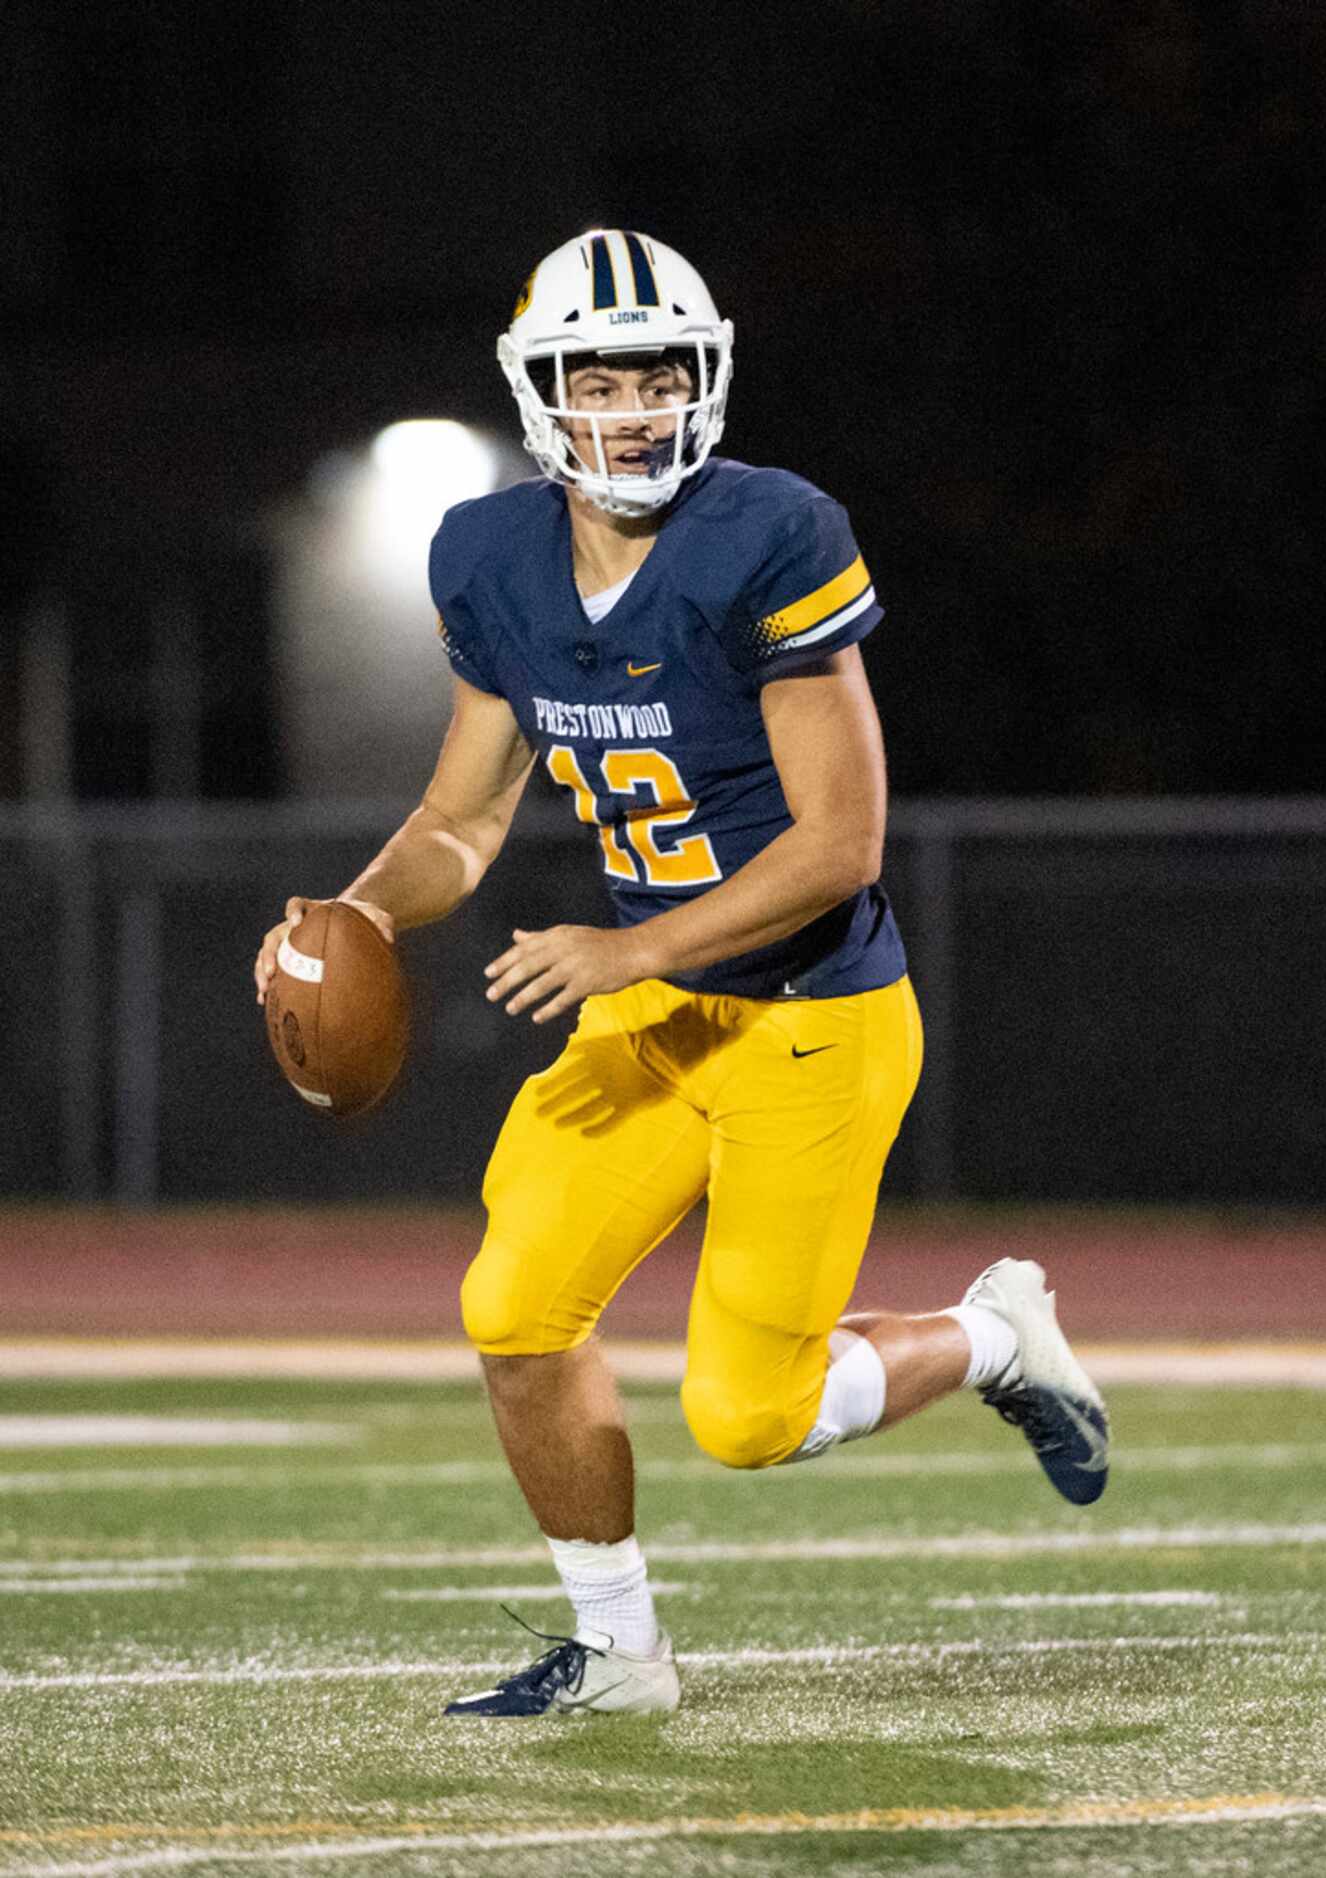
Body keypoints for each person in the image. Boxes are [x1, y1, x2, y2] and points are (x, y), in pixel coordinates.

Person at [254, 229, 1109, 1718]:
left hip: (812, 1022)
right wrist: (364, 912)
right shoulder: (490, 553)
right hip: (655, 1012)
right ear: (543, 391)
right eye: (600, 376)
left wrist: (627, 944)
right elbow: (461, 818)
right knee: (515, 1308)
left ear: (704, 384)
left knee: (749, 1416)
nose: (634, 408)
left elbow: (841, 841)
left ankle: (993, 1334)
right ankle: (620, 1651)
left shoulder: (769, 534)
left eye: (661, 376)